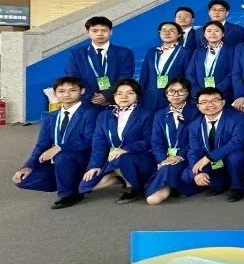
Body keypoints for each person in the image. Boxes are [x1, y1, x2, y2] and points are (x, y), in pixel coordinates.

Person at [12, 76, 94, 209]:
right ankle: (74, 183)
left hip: (83, 159)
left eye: (72, 90)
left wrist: (60, 147)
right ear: (55, 93)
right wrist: (28, 166)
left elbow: (90, 141)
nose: (67, 94)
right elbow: (41, 145)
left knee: (62, 156)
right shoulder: (50, 117)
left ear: (82, 91)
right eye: (61, 91)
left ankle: (69, 195)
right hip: (60, 162)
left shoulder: (90, 113)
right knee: (24, 179)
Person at [79, 78, 154, 203]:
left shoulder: (146, 114)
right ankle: (118, 176)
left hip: (141, 158)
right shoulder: (104, 116)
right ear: (113, 96)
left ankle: (131, 187)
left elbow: (149, 140)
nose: (124, 96)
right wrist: (94, 166)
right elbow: (99, 143)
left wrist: (126, 150)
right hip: (114, 158)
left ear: (137, 96)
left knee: (123, 159)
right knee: (85, 186)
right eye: (119, 93)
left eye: (130, 93)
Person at [183, 87, 244, 202]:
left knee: (236, 156)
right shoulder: (194, 125)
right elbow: (193, 150)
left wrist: (209, 157)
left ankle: (236, 187)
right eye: (204, 102)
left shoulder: (238, 117)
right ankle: (220, 181)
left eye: (214, 100)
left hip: (229, 158)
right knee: (186, 176)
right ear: (198, 106)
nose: (210, 104)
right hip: (212, 164)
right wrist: (197, 173)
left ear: (223, 102)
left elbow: (238, 141)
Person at [144, 78, 199, 205]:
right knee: (165, 167)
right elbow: (156, 141)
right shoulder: (159, 114)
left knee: (169, 170)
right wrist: (162, 160)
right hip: (166, 159)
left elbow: (196, 140)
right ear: (166, 93)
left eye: (181, 91)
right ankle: (167, 187)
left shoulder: (195, 112)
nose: (176, 95)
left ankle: (156, 189)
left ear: (188, 92)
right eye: (171, 91)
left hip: (188, 157)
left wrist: (180, 157)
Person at [64, 16, 135, 111]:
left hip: (115, 102)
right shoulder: (77, 54)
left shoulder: (124, 53)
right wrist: (92, 97)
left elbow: (125, 77)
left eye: (104, 30)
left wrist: (107, 95)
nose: (99, 34)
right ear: (88, 33)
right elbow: (72, 78)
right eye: (95, 31)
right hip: (86, 103)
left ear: (111, 32)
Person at [137, 22, 189, 115]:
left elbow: (187, 76)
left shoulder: (185, 52)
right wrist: (139, 95)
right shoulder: (152, 51)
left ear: (179, 34)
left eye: (171, 31)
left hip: (173, 97)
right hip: (150, 97)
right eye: (164, 30)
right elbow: (144, 75)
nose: (167, 33)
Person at [186, 21, 234, 102]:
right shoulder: (198, 51)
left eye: (216, 31)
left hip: (222, 94)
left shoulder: (231, 51)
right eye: (209, 31)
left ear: (223, 34)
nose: (212, 33)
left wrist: (217, 91)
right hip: (199, 95)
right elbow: (190, 73)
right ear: (204, 34)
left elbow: (231, 73)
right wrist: (198, 91)